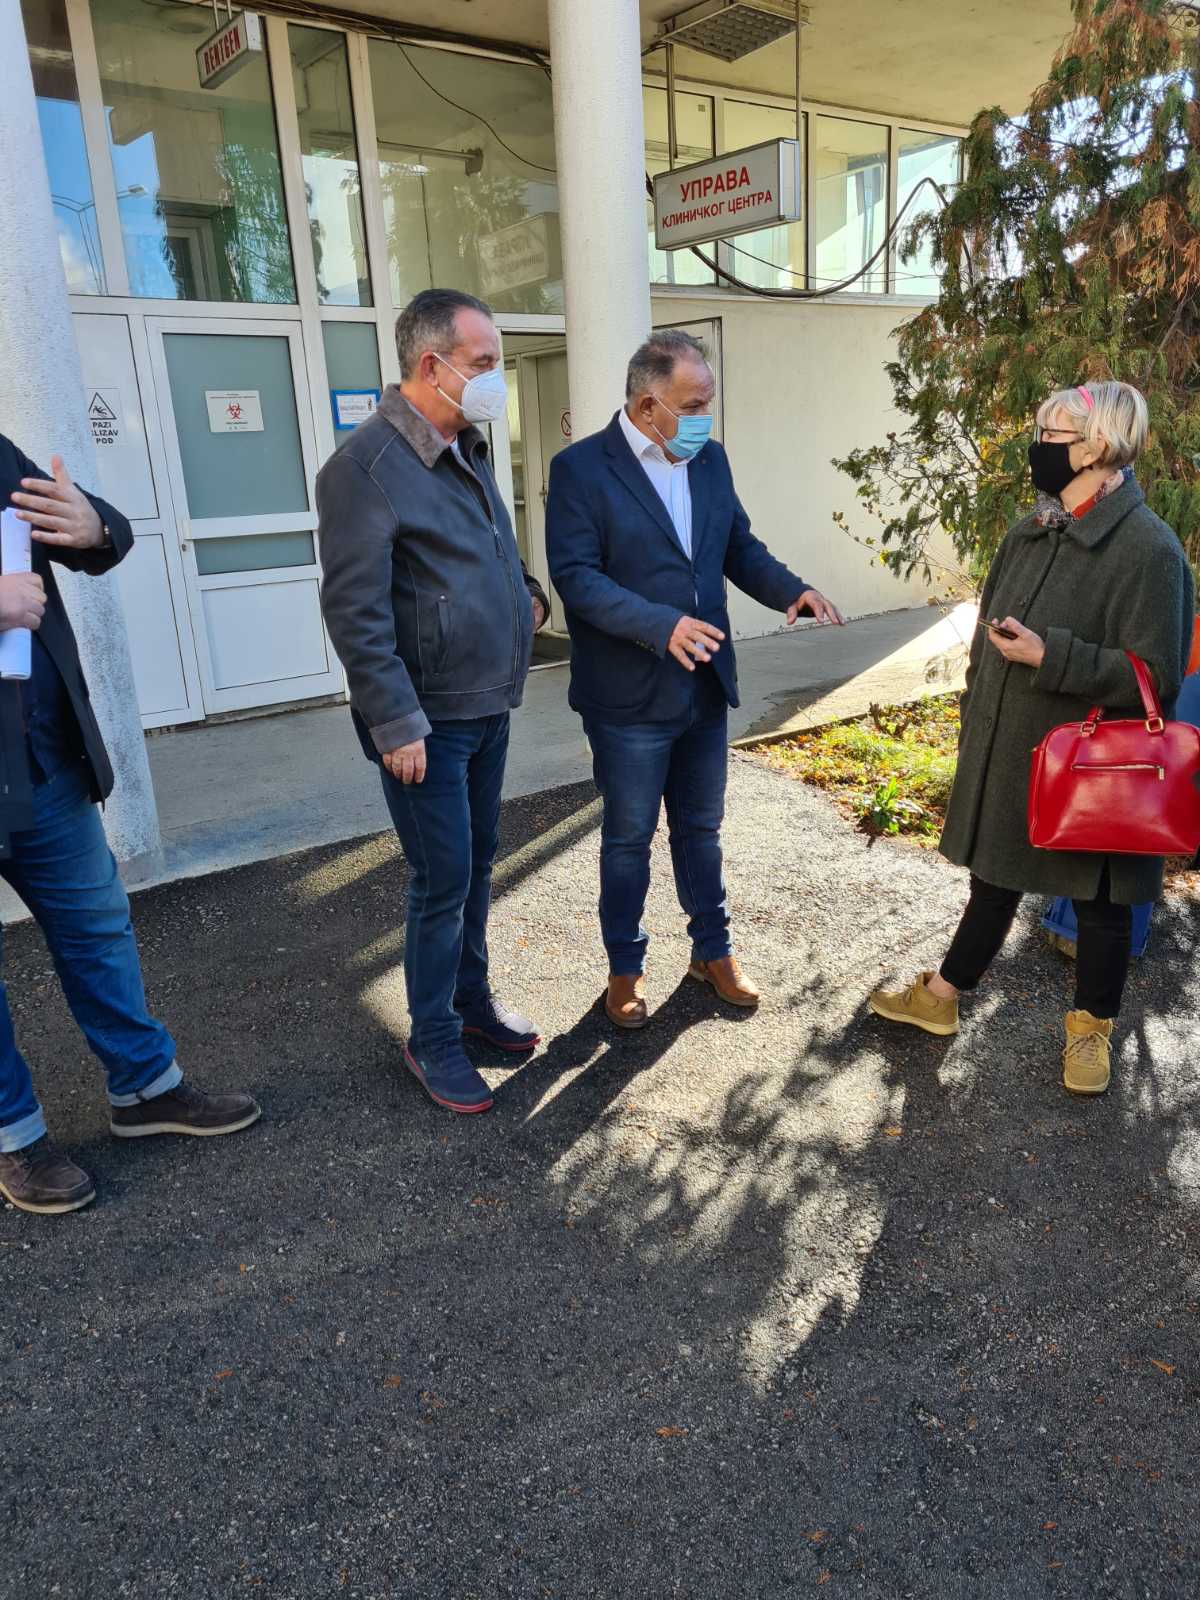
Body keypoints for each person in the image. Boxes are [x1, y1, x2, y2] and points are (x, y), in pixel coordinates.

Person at [869, 380, 1194, 1096]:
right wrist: (974, 712)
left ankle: (1091, 1033)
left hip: (1096, 768)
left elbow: (1156, 675)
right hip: (1015, 744)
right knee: (994, 877)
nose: (1036, 446)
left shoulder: (1150, 549)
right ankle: (942, 997)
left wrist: (1054, 657)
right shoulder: (1033, 529)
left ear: (1098, 446)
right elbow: (987, 641)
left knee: (1102, 904)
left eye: (1050, 434)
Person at [546, 329, 844, 1029]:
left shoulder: (709, 459)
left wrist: (792, 590)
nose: (706, 417)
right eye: (694, 404)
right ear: (648, 405)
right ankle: (625, 970)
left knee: (701, 831)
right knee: (628, 840)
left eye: (708, 401)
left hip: (704, 686)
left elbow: (738, 546)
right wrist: (661, 625)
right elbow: (576, 579)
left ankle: (713, 953)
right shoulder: (581, 469)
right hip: (628, 698)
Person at [0, 437, 260, 1215]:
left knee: (97, 928)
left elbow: (96, 534)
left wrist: (94, 526)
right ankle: (15, 1134)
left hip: (40, 757)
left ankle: (145, 1088)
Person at [316, 289, 549, 1116]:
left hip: (485, 704)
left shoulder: (467, 445)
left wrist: (527, 595)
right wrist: (395, 722)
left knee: (478, 862)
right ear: (432, 364)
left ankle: (471, 1003)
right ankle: (433, 1036)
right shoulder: (363, 469)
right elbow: (355, 613)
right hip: (425, 723)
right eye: (484, 362)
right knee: (441, 876)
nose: (495, 377)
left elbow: (492, 546)